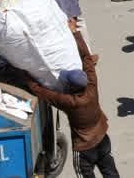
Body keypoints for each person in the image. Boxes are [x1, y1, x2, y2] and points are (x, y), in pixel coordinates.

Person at [25, 31, 118, 177]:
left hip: (84, 149)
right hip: (102, 139)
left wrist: (24, 73)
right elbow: (87, 59)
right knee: (110, 172)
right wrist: (76, 34)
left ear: (72, 87)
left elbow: (41, 92)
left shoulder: (69, 102)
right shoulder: (92, 86)